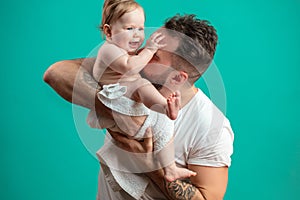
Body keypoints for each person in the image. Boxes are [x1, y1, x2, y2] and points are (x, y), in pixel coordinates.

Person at [44, 14, 234, 200]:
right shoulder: (130, 73)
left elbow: (207, 197)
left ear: (177, 77)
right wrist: (114, 110)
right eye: (147, 46)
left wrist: (148, 164)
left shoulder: (211, 127)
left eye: (155, 56)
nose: (141, 54)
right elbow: (57, 72)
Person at [88, 0, 196, 182]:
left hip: (124, 95)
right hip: (112, 96)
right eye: (130, 29)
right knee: (140, 85)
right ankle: (163, 105)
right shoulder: (109, 50)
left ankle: (170, 168)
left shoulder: (122, 49)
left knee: (165, 124)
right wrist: (150, 50)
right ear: (108, 31)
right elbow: (130, 68)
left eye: (141, 28)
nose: (137, 36)